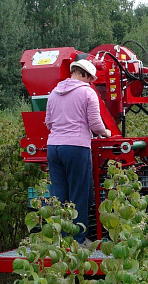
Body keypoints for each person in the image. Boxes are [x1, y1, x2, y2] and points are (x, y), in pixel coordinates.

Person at [45, 59, 111, 247]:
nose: (90, 83)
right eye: (89, 79)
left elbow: (48, 123)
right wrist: (106, 133)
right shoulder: (87, 92)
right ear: (83, 74)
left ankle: (61, 239)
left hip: (54, 148)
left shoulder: (54, 93)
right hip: (76, 147)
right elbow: (96, 124)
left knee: (59, 194)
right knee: (79, 194)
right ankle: (78, 240)